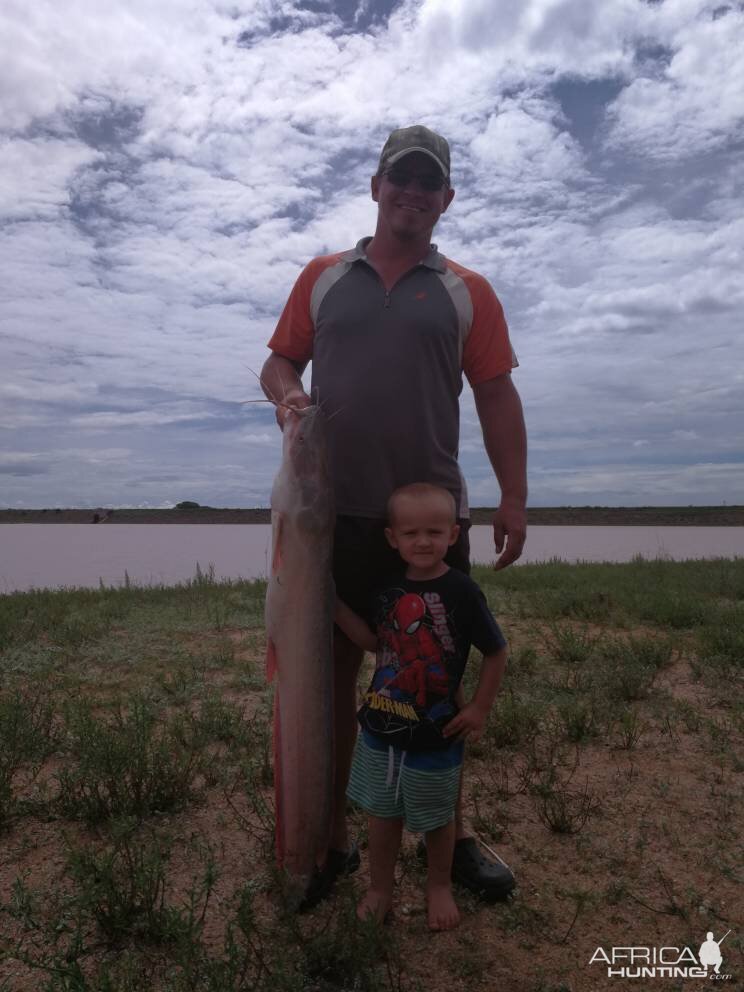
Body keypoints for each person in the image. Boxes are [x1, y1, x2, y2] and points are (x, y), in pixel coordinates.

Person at [260, 123, 527, 904]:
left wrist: (511, 496)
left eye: (427, 183)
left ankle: (457, 833)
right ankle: (328, 838)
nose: (411, 193)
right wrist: (288, 396)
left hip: (429, 522)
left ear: (445, 199)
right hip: (331, 517)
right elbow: (281, 360)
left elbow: (496, 394)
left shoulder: (466, 291)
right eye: (398, 179)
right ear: (376, 188)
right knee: (331, 675)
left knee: (434, 682)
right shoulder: (321, 277)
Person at [335, 483, 508, 930]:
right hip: (381, 729)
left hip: (437, 733)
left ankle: (439, 885)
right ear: (393, 538)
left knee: (437, 819)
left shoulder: (463, 591)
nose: (423, 541)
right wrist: (332, 605)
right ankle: (379, 889)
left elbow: (496, 651)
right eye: (411, 533)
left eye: (434, 531)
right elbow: (376, 643)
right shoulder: (386, 590)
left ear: (453, 534)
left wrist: (479, 709)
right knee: (382, 815)